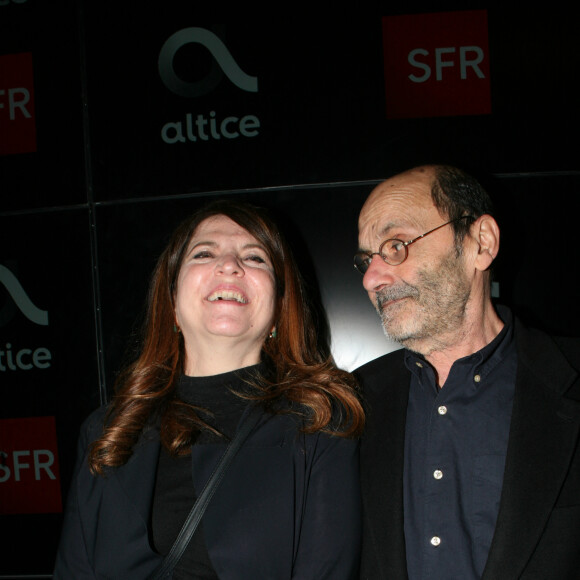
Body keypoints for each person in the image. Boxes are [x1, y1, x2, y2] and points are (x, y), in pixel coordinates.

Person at [54, 200, 364, 579]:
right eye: (204, 253)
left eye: (255, 258)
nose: (230, 265)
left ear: (280, 309)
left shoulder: (321, 426)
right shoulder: (107, 431)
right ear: (170, 302)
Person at [353, 164, 580, 580]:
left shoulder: (571, 382)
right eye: (367, 259)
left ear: (481, 243)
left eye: (396, 245)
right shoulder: (350, 405)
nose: (372, 278)